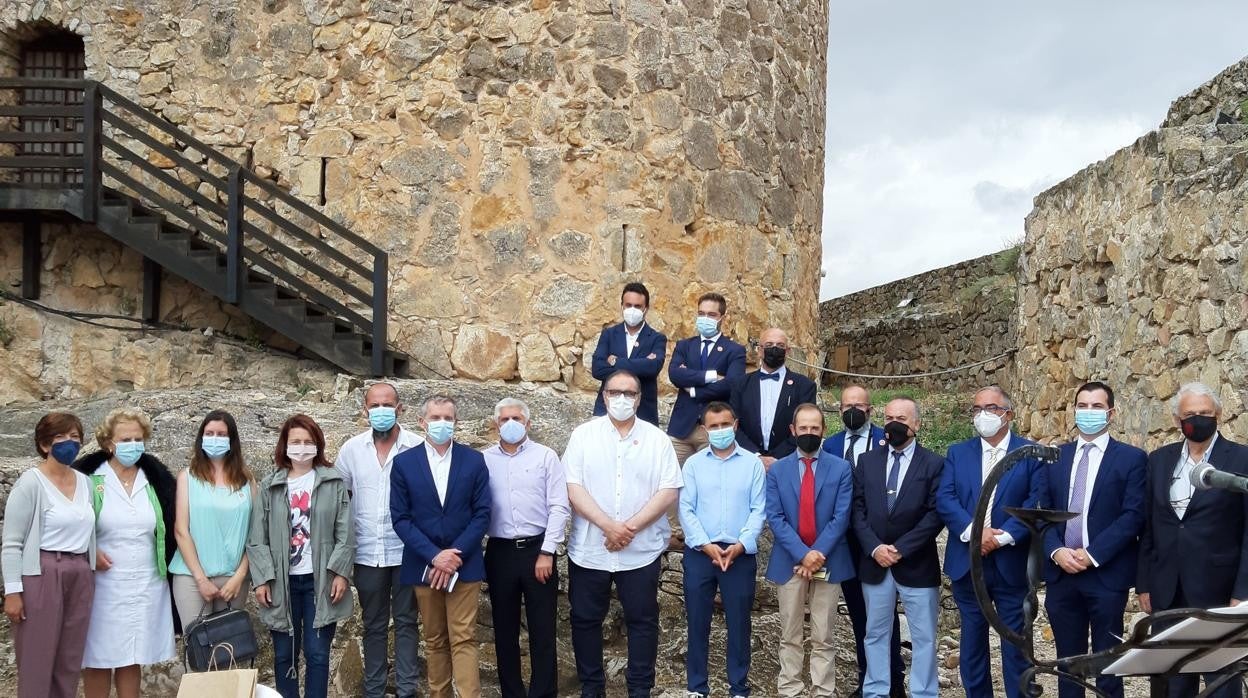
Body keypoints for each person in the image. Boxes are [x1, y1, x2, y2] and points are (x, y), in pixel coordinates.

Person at [564, 369, 683, 698]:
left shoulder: (657, 440)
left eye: (629, 393)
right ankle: (592, 688)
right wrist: (608, 526)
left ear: (639, 398)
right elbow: (573, 486)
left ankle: (640, 689)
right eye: (615, 392)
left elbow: (668, 490)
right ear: (604, 396)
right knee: (585, 621)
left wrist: (627, 529)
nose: (622, 399)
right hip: (591, 548)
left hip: (640, 550)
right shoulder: (583, 436)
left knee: (643, 622)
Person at [1138, 382, 1248, 698]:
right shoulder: (1159, 461)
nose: (1197, 419)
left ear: (1219, 415)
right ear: (1177, 419)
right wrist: (1144, 583)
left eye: (1204, 413)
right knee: (1170, 680)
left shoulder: (1240, 460)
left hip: (1220, 592)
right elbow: (1150, 526)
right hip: (1168, 590)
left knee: (1221, 683)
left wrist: (1242, 591)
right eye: (1189, 414)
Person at [936, 385, 1044, 698]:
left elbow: (1035, 500)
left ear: (1008, 414)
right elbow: (946, 498)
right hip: (967, 563)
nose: (983, 415)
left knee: (1015, 642)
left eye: (992, 408)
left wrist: (1004, 536)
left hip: (1010, 562)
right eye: (977, 408)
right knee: (972, 643)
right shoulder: (959, 453)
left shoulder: (1029, 454)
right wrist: (974, 533)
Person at [1041, 382, 1146, 698]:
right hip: (1062, 576)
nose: (1088, 412)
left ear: (1111, 413)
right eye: (1082, 405)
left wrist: (1091, 554)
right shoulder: (1055, 456)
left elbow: (1132, 516)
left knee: (1107, 665)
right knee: (1067, 666)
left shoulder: (1131, 459)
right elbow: (1042, 512)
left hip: (1105, 575)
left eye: (1096, 407)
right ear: (1074, 410)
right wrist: (1057, 550)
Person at [390, 396, 491, 698]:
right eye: (435, 418)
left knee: (463, 638)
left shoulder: (474, 460)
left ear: (456, 423)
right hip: (424, 565)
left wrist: (453, 555)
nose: (442, 423)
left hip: (465, 563)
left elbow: (482, 513)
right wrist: (435, 556)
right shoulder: (404, 463)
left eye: (448, 418)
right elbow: (401, 518)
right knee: (434, 639)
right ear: (422, 422)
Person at [249, 414, 354, 698]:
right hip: (281, 583)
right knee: (285, 655)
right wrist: (262, 579)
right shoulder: (271, 486)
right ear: (285, 446)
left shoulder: (333, 483)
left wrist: (341, 573)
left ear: (318, 445)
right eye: (295, 441)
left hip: (320, 582)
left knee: (318, 654)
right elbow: (257, 538)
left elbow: (345, 532)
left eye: (308, 441)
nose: (302, 447)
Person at [73, 408, 177, 698]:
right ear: (108, 442)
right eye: (125, 439)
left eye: (138, 438)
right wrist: (89, 552)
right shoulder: (90, 479)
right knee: (98, 656)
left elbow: (168, 526)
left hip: (146, 581)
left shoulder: (154, 480)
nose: (133, 445)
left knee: (133, 654)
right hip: (102, 584)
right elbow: (71, 524)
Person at [334, 382, 423, 698]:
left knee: (407, 623)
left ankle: (406, 690)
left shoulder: (418, 447)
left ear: (400, 409)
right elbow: (340, 499)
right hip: (367, 553)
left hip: (407, 552)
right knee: (372, 626)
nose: (381, 411)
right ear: (365, 410)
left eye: (388, 405)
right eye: (375, 405)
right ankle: (373, 691)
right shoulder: (350, 450)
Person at [851, 398, 945, 698]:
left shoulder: (934, 463)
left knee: (924, 636)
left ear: (915, 424)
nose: (894, 424)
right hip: (875, 564)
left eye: (901, 418)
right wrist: (875, 548)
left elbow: (935, 514)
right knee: (875, 633)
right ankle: (877, 691)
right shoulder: (867, 461)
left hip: (916, 564)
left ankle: (923, 693)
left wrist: (901, 548)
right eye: (889, 417)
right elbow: (857, 510)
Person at [764, 403, 855, 698]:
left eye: (815, 428)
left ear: (824, 431)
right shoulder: (777, 470)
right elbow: (775, 517)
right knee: (789, 632)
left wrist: (816, 554)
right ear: (793, 431)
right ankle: (790, 688)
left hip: (828, 559)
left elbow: (841, 517)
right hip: (790, 561)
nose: (809, 433)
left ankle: (823, 690)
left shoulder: (841, 468)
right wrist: (803, 555)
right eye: (803, 428)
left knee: (823, 633)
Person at [2, 412, 96, 698]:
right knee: (36, 660)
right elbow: (11, 543)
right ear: (44, 445)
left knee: (69, 661)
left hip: (79, 572)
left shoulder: (86, 483)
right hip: (42, 573)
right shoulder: (31, 483)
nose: (69, 443)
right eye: (60, 438)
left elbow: (88, 533)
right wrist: (14, 592)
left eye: (75, 438)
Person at [482, 397, 570, 698]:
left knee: (543, 631)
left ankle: (543, 693)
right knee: (504, 631)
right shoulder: (483, 459)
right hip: (500, 552)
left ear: (528, 423)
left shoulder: (546, 457)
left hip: (537, 551)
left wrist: (547, 551)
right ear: (496, 424)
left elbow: (559, 506)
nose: (510, 424)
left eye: (517, 418)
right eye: (504, 419)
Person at [678, 401, 766, 698]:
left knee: (739, 622)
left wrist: (741, 544)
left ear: (736, 425)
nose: (720, 431)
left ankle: (739, 687)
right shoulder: (693, 464)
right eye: (713, 426)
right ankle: (697, 687)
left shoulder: (753, 464)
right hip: (701, 553)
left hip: (740, 555)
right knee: (697, 621)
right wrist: (706, 545)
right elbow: (686, 509)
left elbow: (759, 509)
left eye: (725, 425)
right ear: (704, 429)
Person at [821, 384, 903, 697]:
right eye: (846, 406)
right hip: (844, 544)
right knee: (858, 614)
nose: (853, 410)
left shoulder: (887, 439)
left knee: (884, 615)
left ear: (870, 409)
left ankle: (894, 683)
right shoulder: (829, 445)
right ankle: (868, 681)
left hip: (878, 543)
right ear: (839, 411)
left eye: (859, 405)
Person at [169, 410, 255, 625]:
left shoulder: (246, 480)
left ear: (231, 440)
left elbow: (256, 534)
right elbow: (181, 530)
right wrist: (200, 578)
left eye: (221, 434)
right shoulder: (187, 477)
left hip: (234, 578)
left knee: (229, 650)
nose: (214, 439)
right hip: (192, 576)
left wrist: (240, 576)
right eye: (209, 433)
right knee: (199, 647)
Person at [667, 292, 747, 463]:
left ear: (722, 319)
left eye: (711, 315)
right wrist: (712, 376)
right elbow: (675, 374)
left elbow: (731, 384)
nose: (705, 318)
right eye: (701, 313)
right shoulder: (684, 346)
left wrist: (694, 390)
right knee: (672, 480)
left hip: (714, 430)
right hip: (681, 429)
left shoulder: (735, 351)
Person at [728, 327, 817, 469]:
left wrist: (776, 458)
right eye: (769, 345)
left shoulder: (805, 386)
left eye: (780, 345)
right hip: (748, 461)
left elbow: (807, 426)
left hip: (789, 463)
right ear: (759, 350)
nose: (774, 349)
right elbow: (733, 423)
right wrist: (756, 457)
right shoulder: (740, 384)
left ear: (787, 351)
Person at [590, 281, 668, 425]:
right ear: (622, 306)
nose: (632, 309)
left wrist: (616, 362)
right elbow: (597, 369)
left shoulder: (657, 338)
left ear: (646, 308)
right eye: (628, 305)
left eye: (637, 306)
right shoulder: (609, 334)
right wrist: (642, 363)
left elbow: (653, 367)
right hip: (606, 410)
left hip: (643, 413)